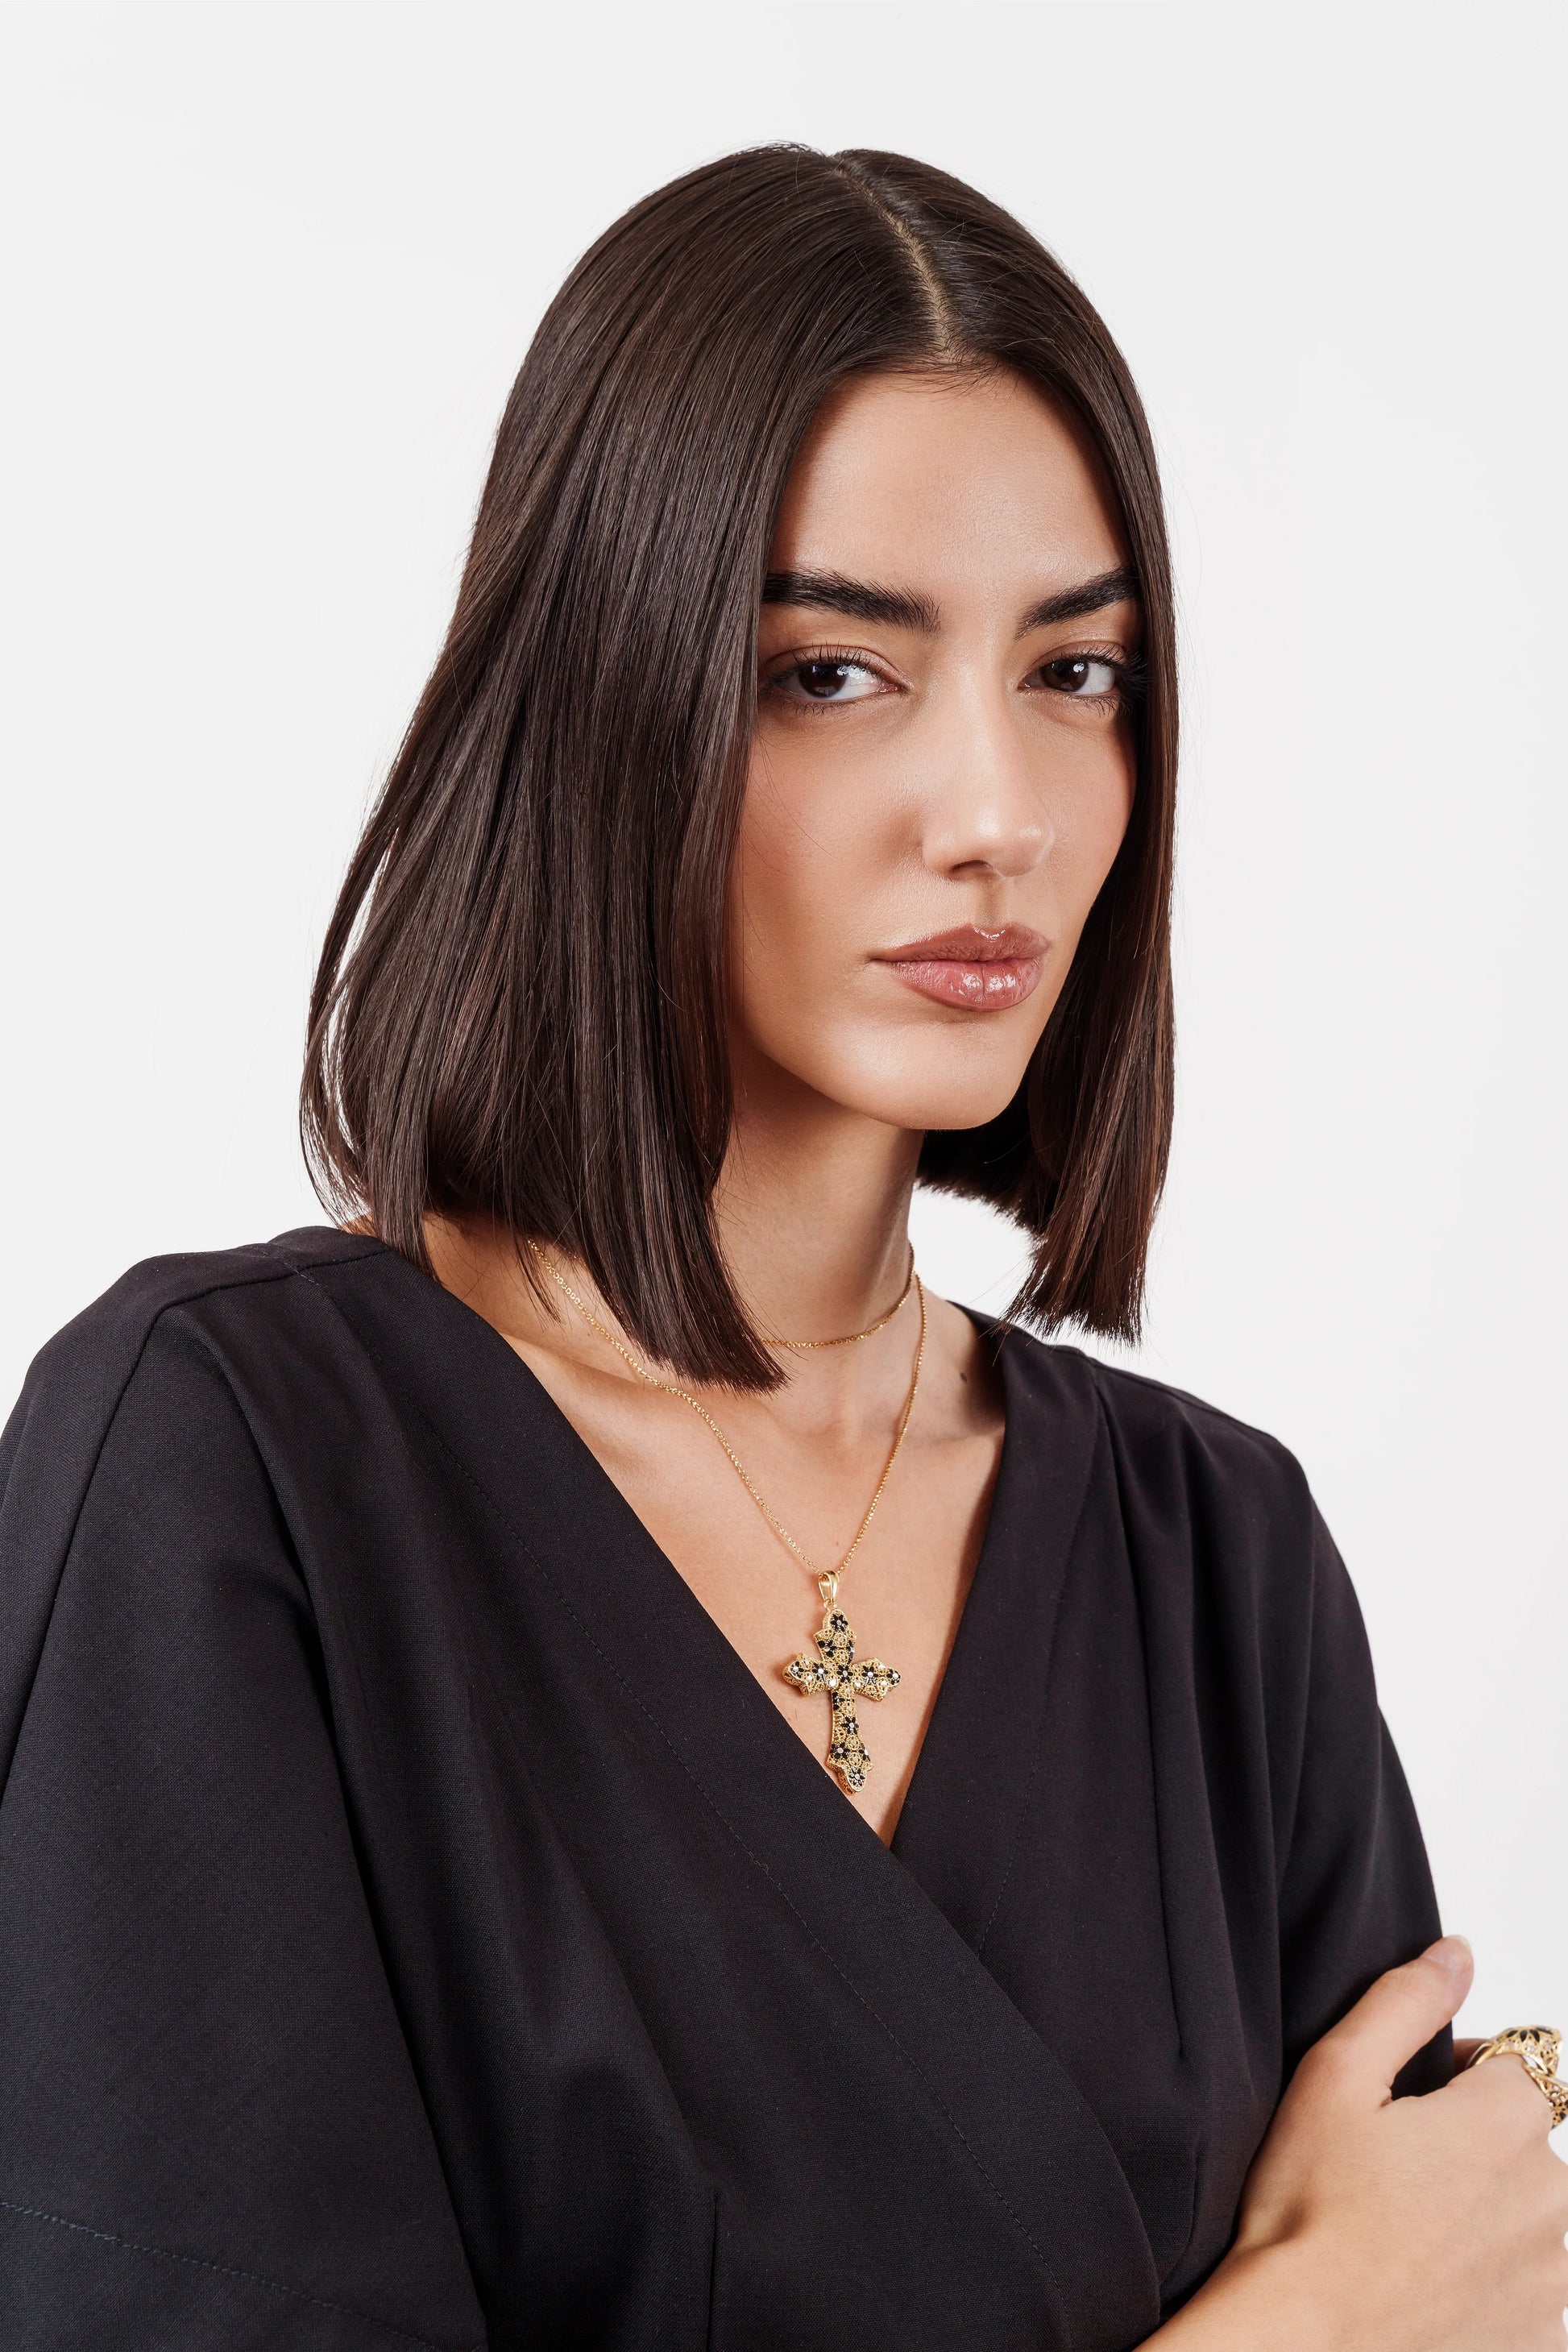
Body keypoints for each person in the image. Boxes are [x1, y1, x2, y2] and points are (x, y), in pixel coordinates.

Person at [1, 144, 1563, 2352]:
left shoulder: (1218, 1562)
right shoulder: (235, 1465)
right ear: (601, 700)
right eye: (835, 673)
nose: (996, 809)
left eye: (1079, 673)